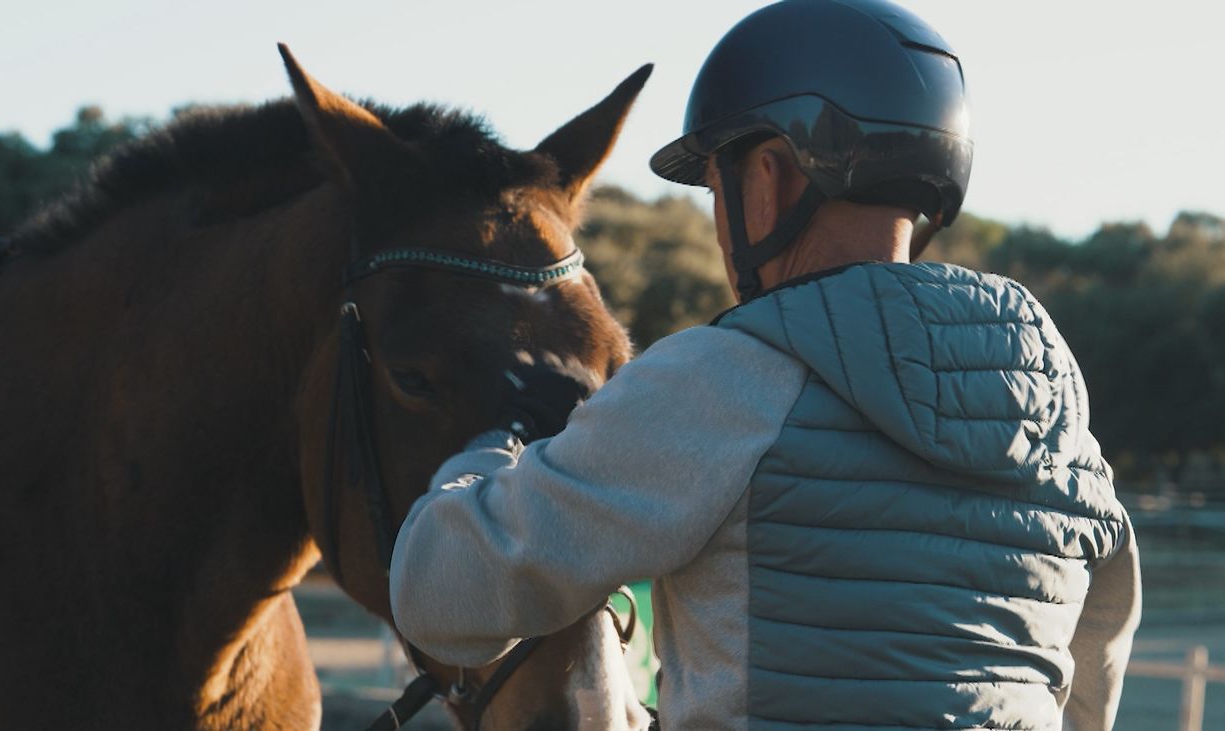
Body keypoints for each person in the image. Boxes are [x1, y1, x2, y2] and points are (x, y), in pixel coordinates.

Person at [390, 1, 1142, 728]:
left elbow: (442, 593)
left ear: (770, 177)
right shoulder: (1053, 399)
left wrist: (496, 448)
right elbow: (1100, 640)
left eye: (717, 187)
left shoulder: (725, 379)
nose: (719, 225)